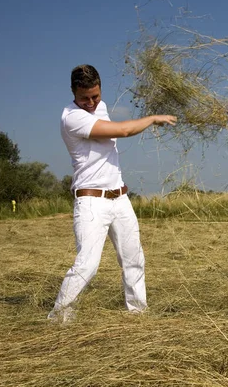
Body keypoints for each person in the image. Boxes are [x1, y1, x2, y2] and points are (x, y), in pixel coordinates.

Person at [49, 64, 177, 322]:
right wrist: (152, 118)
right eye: (84, 98)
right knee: (87, 265)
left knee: (134, 258)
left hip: (120, 198)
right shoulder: (72, 117)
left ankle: (138, 313)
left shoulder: (101, 107)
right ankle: (59, 318)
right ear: (73, 92)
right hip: (91, 201)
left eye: (95, 96)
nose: (91, 103)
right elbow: (124, 131)